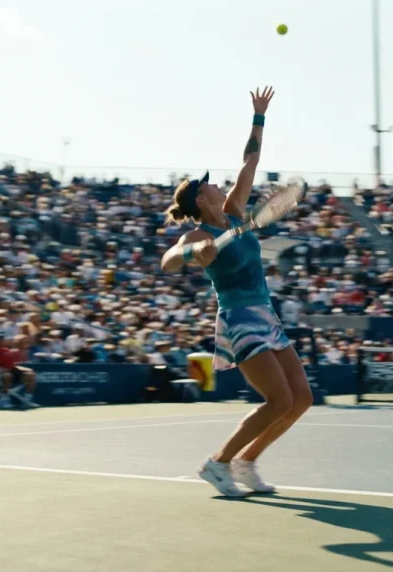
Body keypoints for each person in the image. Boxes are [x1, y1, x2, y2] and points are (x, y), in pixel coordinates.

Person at [160, 86, 313, 497]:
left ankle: (246, 462)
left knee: (301, 399)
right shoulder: (198, 231)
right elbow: (168, 261)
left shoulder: (233, 210)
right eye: (206, 186)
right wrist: (195, 250)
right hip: (239, 320)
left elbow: (251, 159)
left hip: (266, 315)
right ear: (198, 198)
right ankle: (218, 463)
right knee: (278, 400)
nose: (215, 186)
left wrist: (258, 117)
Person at [0, 331, 40, 409]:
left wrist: (24, 369)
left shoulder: (6, 350)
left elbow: (12, 365)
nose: (0, 340)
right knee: (7, 375)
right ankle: (4, 399)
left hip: (11, 373)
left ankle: (27, 400)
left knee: (31, 374)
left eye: (1, 338)